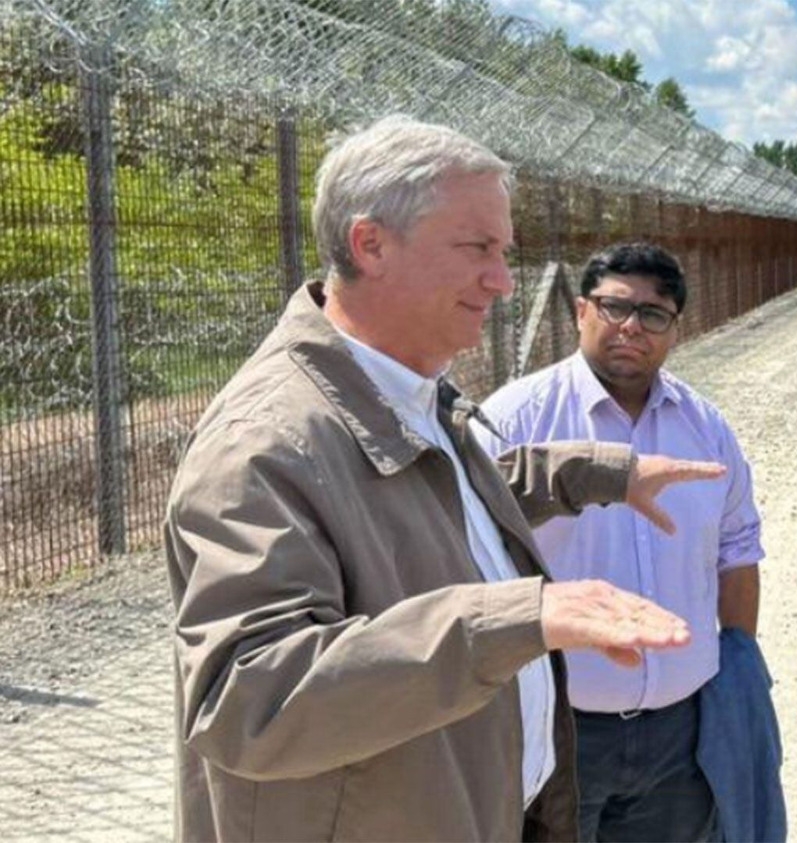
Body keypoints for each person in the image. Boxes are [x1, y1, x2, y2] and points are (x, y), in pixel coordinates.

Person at [163, 115, 725, 842]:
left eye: (504, 251)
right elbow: (249, 696)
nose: (501, 280)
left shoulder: (400, 391)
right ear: (371, 245)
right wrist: (517, 620)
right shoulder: (266, 442)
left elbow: (438, 496)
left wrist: (600, 473)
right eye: (477, 248)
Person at [476, 242, 766, 842]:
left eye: (653, 314)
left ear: (674, 329)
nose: (632, 326)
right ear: (581, 311)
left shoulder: (705, 427)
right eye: (614, 308)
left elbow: (736, 550)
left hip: (679, 736)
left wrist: (734, 672)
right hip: (558, 732)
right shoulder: (515, 420)